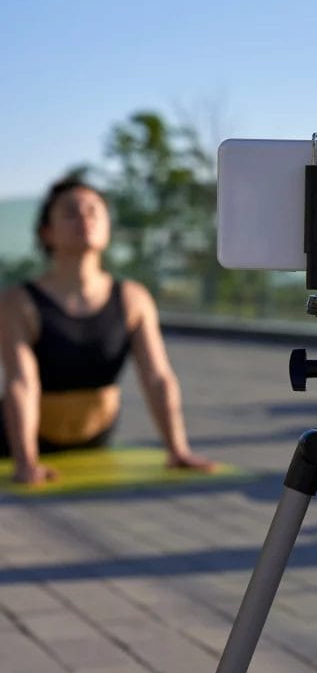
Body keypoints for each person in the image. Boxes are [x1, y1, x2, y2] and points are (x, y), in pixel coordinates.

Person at [0, 177, 214, 484]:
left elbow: (157, 378)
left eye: (93, 211)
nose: (84, 218)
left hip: (94, 441)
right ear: (47, 232)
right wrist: (25, 462)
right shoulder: (18, 302)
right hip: (13, 445)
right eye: (71, 212)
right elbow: (21, 383)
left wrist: (177, 450)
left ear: (108, 228)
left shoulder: (133, 298)